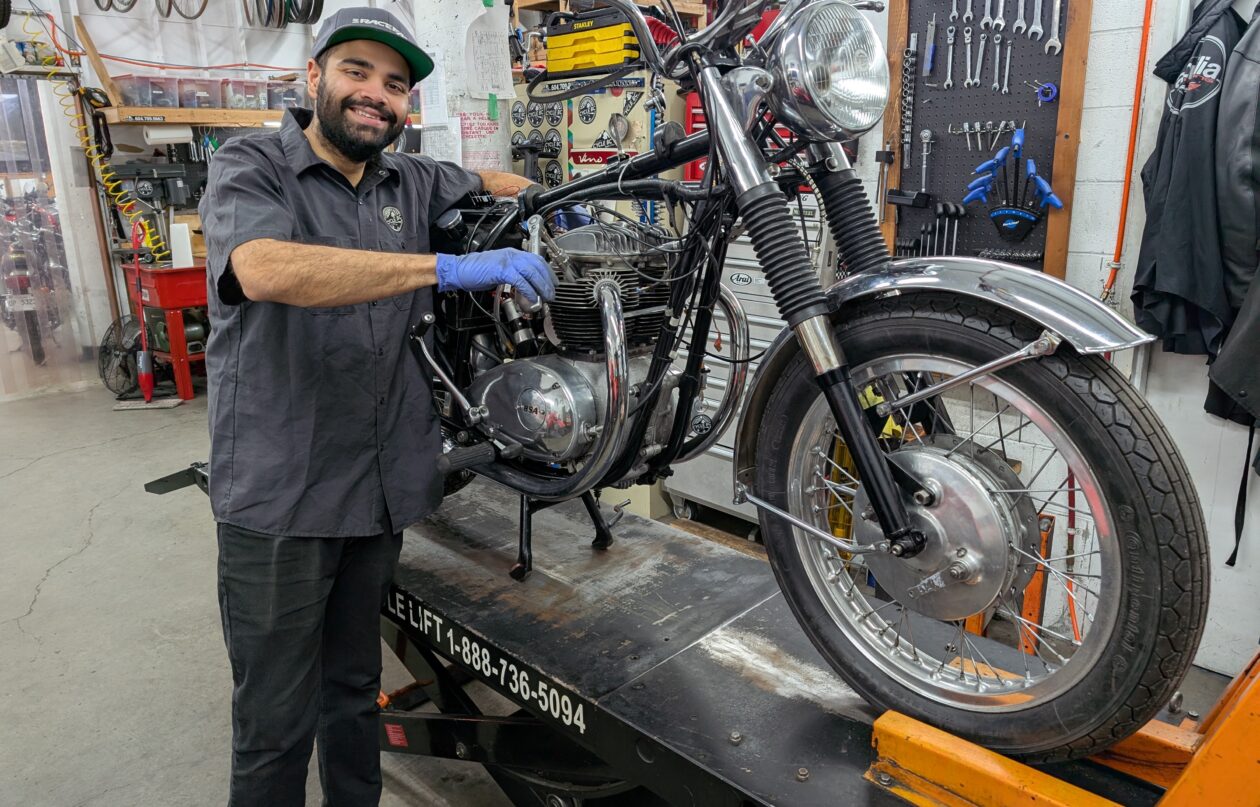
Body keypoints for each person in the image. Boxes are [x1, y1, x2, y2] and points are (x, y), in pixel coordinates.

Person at [197, 7, 554, 805]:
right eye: (358, 72)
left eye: (396, 85)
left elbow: (495, 182)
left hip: (377, 489)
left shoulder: (412, 177)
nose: (377, 95)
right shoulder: (251, 166)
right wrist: (442, 268)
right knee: (274, 724)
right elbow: (264, 269)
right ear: (314, 76)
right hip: (279, 498)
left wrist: (547, 207)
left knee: (353, 693)